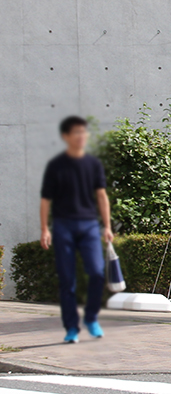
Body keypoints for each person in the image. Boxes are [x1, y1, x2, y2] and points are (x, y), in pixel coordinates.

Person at [40, 116, 114, 344]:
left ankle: (91, 317)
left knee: (97, 272)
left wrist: (107, 226)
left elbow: (101, 196)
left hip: (89, 225)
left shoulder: (92, 164)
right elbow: (45, 200)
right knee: (67, 279)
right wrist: (45, 229)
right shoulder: (55, 166)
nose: (82, 136)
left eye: (84, 132)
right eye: (77, 133)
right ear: (66, 137)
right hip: (63, 226)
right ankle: (71, 327)